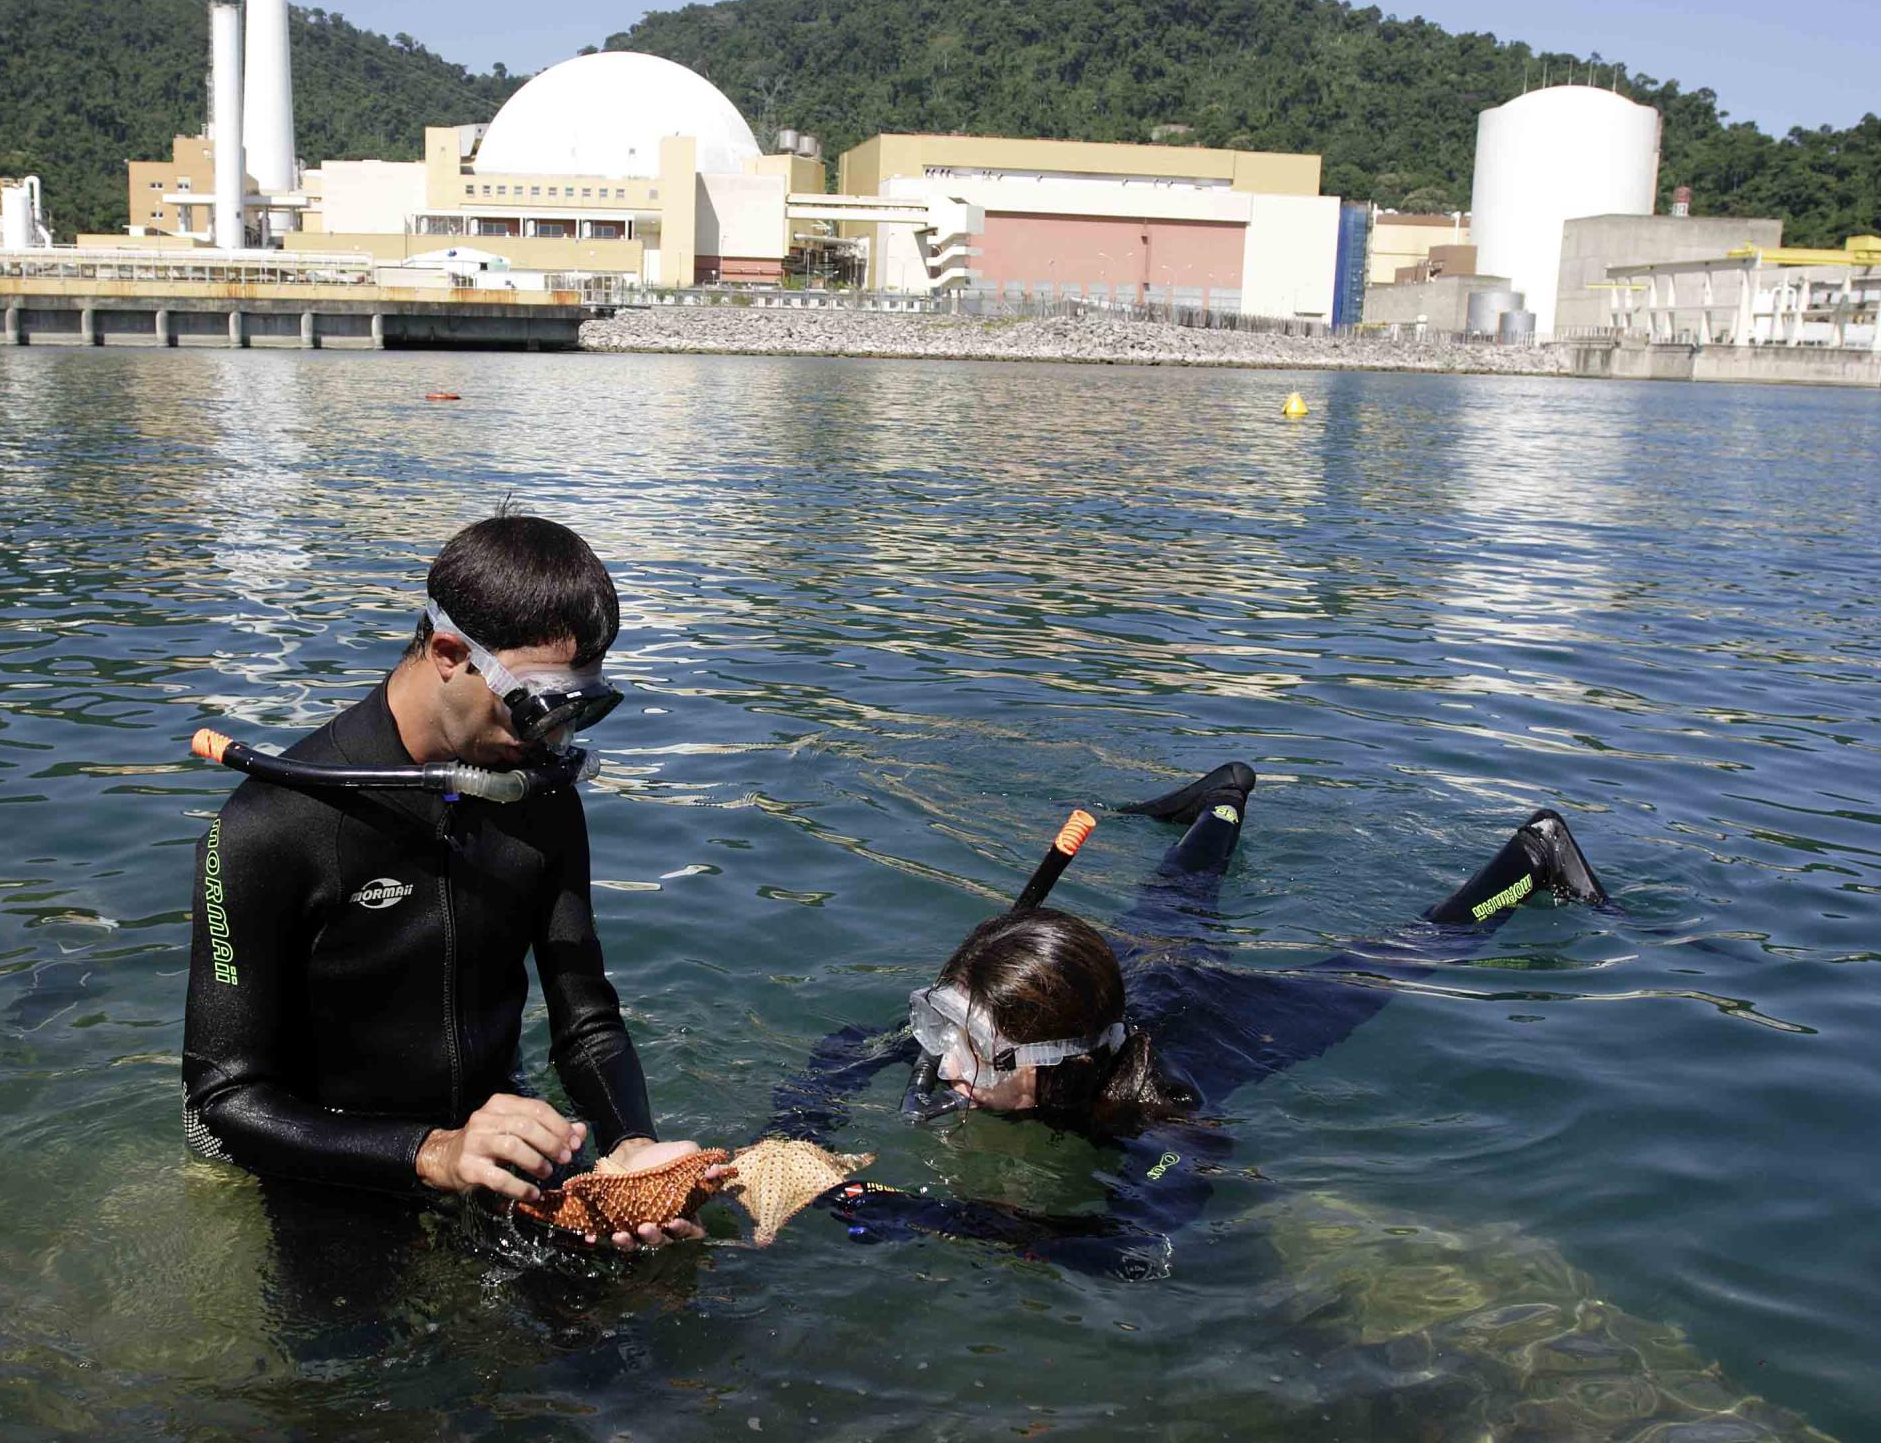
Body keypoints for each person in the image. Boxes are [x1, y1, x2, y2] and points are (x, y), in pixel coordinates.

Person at [766, 764, 1610, 1269]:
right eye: (943, 1026)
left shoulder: (1169, 1126)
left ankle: (1531, 852)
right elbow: (844, 1051)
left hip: (1235, 1016)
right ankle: (1227, 793)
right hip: (1127, 974)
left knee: (1413, 953)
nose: (948, 1064)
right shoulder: (985, 1025)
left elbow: (1132, 1250)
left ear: (1056, 1061)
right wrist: (794, 1138)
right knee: (1175, 898)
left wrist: (935, 1215)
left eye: (978, 1051)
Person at [181, 512, 717, 1250]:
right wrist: (432, 1152)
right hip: (339, 1175)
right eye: (536, 708)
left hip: (504, 1152)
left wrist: (632, 1145)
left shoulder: (540, 793)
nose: (552, 742)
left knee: (634, 1348)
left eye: (579, 711)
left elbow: (585, 1016)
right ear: (447, 652)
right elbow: (220, 1104)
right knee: (347, 1368)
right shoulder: (270, 824)